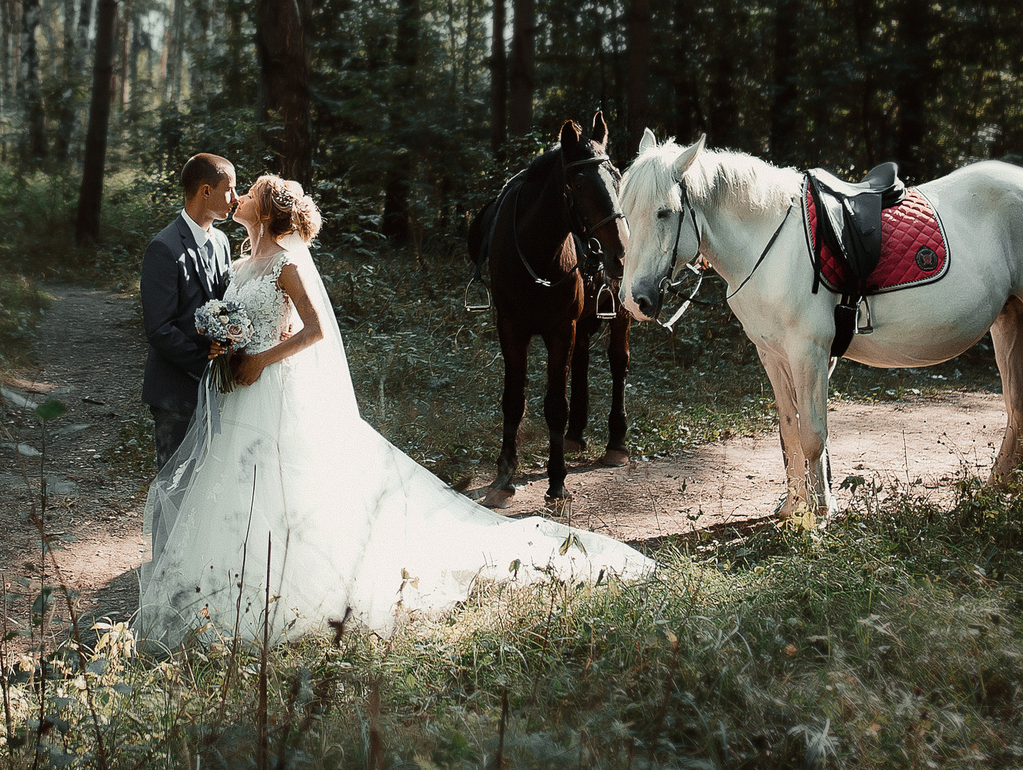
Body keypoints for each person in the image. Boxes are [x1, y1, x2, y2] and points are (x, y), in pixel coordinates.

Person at [136, 174, 652, 651]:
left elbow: (314, 331)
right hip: (238, 394)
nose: (239, 198)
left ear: (266, 211)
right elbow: (241, 321)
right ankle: (225, 580)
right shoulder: (239, 265)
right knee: (239, 485)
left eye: (247, 193)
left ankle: (282, 590)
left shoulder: (287, 265)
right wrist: (227, 347)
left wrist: (259, 362)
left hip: (270, 389)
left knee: (282, 486)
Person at [141, 153, 237, 467]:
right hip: (176, 390)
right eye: (230, 189)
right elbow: (159, 329)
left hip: (217, 393)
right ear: (205, 191)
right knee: (174, 487)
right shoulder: (164, 247)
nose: (234, 199)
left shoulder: (222, 241)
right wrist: (207, 366)